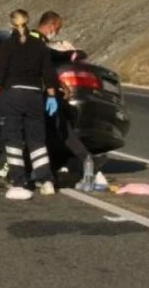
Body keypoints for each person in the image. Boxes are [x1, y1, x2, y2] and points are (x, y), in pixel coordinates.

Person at [0, 9, 60, 200]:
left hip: (11, 96)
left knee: (13, 141)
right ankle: (46, 181)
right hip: (34, 96)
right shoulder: (39, 46)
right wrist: (52, 96)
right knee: (37, 141)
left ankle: (18, 181)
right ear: (28, 23)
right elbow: (48, 74)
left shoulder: (6, 46)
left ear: (11, 25)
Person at [32, 11, 99, 191]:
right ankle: (78, 163)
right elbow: (45, 63)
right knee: (53, 133)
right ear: (51, 24)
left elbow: (48, 62)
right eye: (58, 27)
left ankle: (47, 174)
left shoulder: (40, 41)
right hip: (40, 94)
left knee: (56, 132)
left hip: (46, 94)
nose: (58, 31)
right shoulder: (34, 39)